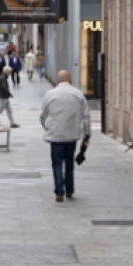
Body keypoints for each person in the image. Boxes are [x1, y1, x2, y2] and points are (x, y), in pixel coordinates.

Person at [40, 70, 91, 202]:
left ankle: (59, 192)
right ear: (70, 80)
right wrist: (87, 134)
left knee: (57, 163)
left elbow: (43, 115)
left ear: (58, 81)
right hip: (72, 135)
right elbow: (86, 116)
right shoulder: (78, 94)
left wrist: (48, 128)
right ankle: (69, 190)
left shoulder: (50, 94)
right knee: (69, 163)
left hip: (55, 135)